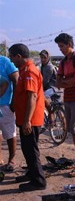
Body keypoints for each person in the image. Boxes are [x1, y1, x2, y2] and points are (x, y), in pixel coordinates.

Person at [8, 43, 47, 191]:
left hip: (30, 119)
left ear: (18, 56)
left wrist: (27, 121)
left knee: (31, 150)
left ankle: (39, 181)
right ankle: (32, 174)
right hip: (26, 118)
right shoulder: (24, 70)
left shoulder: (30, 71)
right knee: (27, 148)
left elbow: (32, 97)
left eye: (12, 56)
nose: (11, 60)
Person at [54, 33, 75, 177]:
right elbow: (58, 83)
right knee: (71, 129)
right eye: (59, 46)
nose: (60, 49)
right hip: (68, 97)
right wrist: (69, 81)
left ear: (69, 44)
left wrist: (66, 81)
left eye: (62, 46)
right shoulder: (63, 62)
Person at [0, 55, 18, 172]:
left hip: (5, 104)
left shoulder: (4, 61)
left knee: (10, 133)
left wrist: (14, 103)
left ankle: (12, 159)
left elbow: (15, 79)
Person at [39, 49, 57, 123]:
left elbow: (45, 81)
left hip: (54, 87)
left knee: (43, 97)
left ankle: (51, 113)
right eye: (41, 57)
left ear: (48, 58)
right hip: (48, 87)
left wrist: (40, 89)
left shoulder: (49, 67)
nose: (42, 59)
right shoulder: (42, 66)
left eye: (44, 57)